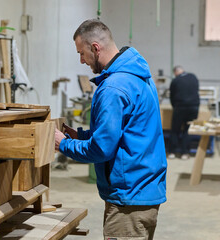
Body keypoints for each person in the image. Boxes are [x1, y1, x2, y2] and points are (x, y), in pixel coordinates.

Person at [54, 19, 167, 240]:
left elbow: (102, 149)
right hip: (144, 190)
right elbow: (125, 132)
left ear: (95, 47)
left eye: (82, 53)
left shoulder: (114, 87)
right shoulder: (138, 75)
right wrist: (82, 136)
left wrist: (64, 144)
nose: (81, 60)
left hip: (128, 199)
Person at [168, 66, 200, 160]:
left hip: (180, 107)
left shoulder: (175, 80)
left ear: (176, 72)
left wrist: (175, 106)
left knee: (175, 130)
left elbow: (172, 96)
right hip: (194, 107)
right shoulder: (193, 77)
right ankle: (185, 153)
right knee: (188, 130)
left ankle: (172, 152)